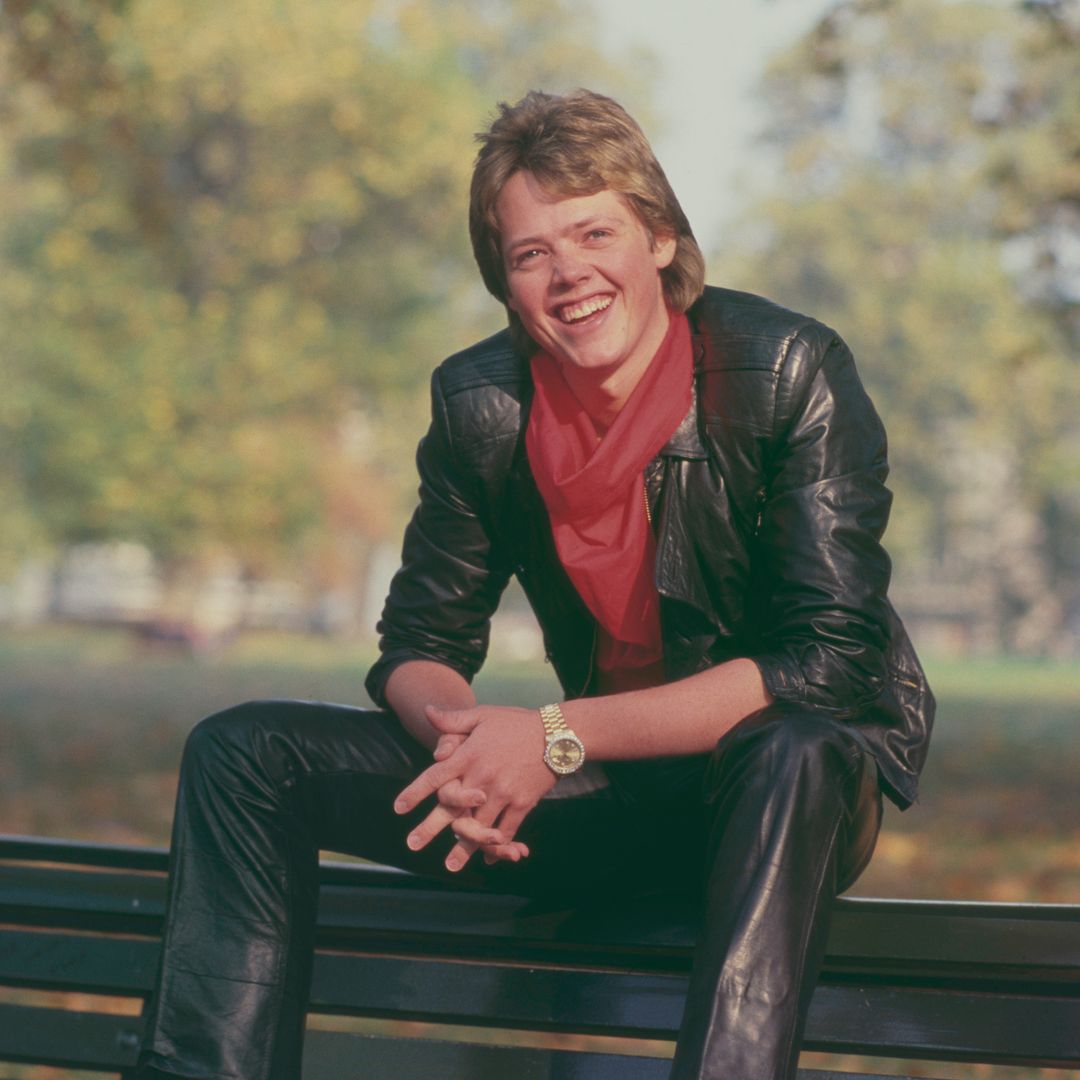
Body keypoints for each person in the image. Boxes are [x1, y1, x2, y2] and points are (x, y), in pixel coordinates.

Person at [137, 89, 934, 1080]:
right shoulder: (481, 404)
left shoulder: (787, 369)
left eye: (594, 232)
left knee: (796, 751)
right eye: (530, 254)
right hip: (604, 795)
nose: (568, 276)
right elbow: (418, 640)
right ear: (505, 284)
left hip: (777, 805)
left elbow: (829, 664)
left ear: (660, 239)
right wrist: (468, 752)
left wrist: (555, 735)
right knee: (244, 752)